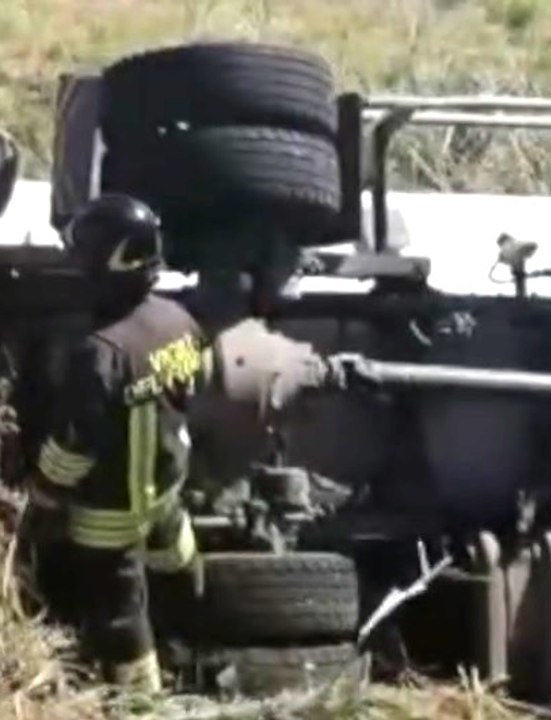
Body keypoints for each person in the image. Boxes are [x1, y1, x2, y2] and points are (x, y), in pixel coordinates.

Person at [25, 194, 362, 694]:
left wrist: (43, 494)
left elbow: (74, 446)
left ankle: (141, 700)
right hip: (166, 495)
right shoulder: (176, 322)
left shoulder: (99, 355)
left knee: (120, 614)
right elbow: (196, 381)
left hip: (110, 514)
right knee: (180, 571)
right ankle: (198, 661)